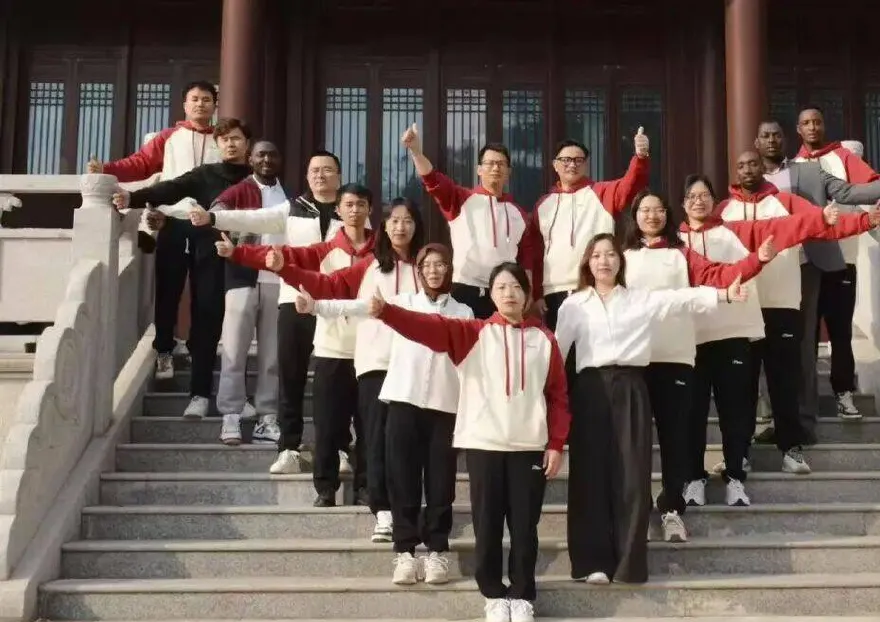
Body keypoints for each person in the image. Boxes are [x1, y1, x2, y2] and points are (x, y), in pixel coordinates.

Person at [357, 261, 569, 622]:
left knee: (524, 527)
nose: (509, 293)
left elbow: (558, 396)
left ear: (526, 294)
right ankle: (493, 594)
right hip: (484, 444)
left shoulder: (545, 339)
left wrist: (556, 443)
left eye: (516, 287)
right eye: (501, 287)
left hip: (528, 446)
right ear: (491, 295)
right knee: (487, 525)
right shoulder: (473, 334)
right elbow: (427, 327)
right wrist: (387, 312)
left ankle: (522, 595)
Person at [556, 233, 748, 585]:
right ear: (587, 263)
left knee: (632, 475)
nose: (604, 261)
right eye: (596, 255)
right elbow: (556, 353)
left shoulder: (639, 299)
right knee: (589, 475)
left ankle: (629, 563)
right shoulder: (573, 305)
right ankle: (591, 561)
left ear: (620, 261)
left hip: (632, 388)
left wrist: (723, 295)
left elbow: (680, 299)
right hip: (590, 391)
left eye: (610, 254)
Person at [292, 243, 472, 585]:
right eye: (427, 265)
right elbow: (357, 306)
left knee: (440, 484)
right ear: (419, 271)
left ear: (449, 270)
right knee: (402, 479)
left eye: (440, 265)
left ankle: (437, 551)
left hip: (445, 407)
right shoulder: (401, 303)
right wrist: (317, 306)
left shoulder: (463, 312)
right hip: (403, 401)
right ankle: (405, 553)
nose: (434, 271)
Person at [677, 173, 855, 506]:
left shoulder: (732, 230)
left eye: (704, 195)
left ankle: (739, 472)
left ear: (714, 200)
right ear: (683, 204)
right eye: (692, 196)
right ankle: (695, 478)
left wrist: (840, 219)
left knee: (745, 401)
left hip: (733, 331)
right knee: (693, 413)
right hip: (690, 338)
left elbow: (785, 228)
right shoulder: (676, 243)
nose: (698, 201)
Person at [715, 151, 880, 472]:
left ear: (763, 169)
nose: (747, 169)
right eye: (741, 165)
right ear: (735, 172)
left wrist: (864, 221)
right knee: (741, 387)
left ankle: (791, 450)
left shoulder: (786, 202)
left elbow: (824, 225)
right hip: (741, 309)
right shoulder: (724, 210)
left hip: (782, 304)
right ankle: (739, 455)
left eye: (753, 163)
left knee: (785, 383)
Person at [264, 198, 426, 540]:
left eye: (408, 221)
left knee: (395, 439)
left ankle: (391, 501)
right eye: (394, 221)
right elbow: (334, 288)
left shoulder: (426, 268)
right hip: (366, 359)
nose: (401, 227)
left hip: (410, 365)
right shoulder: (371, 266)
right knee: (348, 428)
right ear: (384, 227)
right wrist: (295, 282)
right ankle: (347, 495)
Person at [623, 190, 776, 542]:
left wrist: (756, 261)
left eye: (658, 209)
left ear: (667, 214)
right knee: (634, 442)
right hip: (634, 360)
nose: (652, 215)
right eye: (645, 209)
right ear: (634, 215)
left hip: (675, 359)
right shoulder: (622, 256)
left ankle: (672, 510)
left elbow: (718, 274)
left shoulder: (682, 254)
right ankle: (635, 510)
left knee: (675, 439)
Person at [217, 183, 375, 502]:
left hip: (372, 347)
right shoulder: (326, 249)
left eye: (361, 204)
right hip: (333, 345)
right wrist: (239, 253)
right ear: (339, 210)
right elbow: (288, 256)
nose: (355, 210)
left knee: (369, 423)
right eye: (349, 204)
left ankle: (368, 488)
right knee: (327, 422)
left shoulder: (382, 252)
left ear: (369, 210)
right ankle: (326, 489)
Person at [194, 151, 348, 476]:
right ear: (307, 177)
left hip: (337, 305)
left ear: (339, 176)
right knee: (290, 377)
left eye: (327, 170)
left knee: (337, 381)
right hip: (294, 300)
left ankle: (339, 448)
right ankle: (289, 448)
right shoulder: (292, 208)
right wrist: (214, 218)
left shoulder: (350, 210)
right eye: (314, 170)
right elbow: (253, 219)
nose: (320, 175)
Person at [753, 120, 880, 442]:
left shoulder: (808, 172)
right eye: (765, 136)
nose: (771, 140)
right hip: (765, 271)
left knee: (804, 346)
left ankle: (804, 423)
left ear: (785, 139)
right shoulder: (749, 179)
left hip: (804, 266)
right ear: (756, 143)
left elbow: (847, 191)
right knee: (766, 344)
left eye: (776, 135)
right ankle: (772, 415)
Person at [113, 117, 252, 417]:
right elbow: (171, 188)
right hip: (210, 253)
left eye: (236, 138)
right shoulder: (205, 174)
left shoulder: (256, 179)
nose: (230, 144)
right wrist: (132, 197)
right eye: (225, 139)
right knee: (205, 319)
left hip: (248, 262)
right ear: (218, 145)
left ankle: (241, 397)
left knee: (240, 328)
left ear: (247, 144)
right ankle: (199, 395)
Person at [89, 80, 220, 380]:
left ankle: (200, 350)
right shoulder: (169, 137)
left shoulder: (222, 139)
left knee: (207, 294)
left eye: (206, 99)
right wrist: (107, 169)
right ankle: (164, 351)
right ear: (185, 105)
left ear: (215, 105)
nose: (200, 104)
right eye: (194, 99)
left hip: (208, 225)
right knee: (168, 290)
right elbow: (142, 163)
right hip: (172, 222)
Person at [792, 107, 880, 420]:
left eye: (817, 121)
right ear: (798, 129)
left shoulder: (842, 157)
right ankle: (806, 399)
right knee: (805, 333)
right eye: (806, 123)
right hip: (804, 260)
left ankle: (844, 393)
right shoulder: (792, 168)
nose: (812, 127)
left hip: (842, 257)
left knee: (840, 329)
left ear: (824, 125)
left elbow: (871, 188)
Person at [401, 124, 538, 318]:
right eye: (490, 163)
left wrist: (528, 290)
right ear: (479, 170)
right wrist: (416, 152)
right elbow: (432, 180)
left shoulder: (519, 213)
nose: (496, 168)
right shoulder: (461, 199)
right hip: (465, 288)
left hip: (502, 292)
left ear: (509, 171)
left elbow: (526, 258)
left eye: (501, 164)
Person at [208, 140, 289, 446]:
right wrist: (233, 241)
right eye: (261, 155)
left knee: (272, 356)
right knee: (234, 350)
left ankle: (267, 417)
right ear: (250, 159)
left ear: (279, 160)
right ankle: (231, 414)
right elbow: (216, 212)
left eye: (272, 154)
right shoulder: (240, 189)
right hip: (242, 277)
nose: (267, 159)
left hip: (278, 281)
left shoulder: (288, 196)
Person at [531, 130, 650, 329]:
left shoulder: (602, 192)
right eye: (566, 160)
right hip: (554, 291)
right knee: (560, 347)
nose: (572, 164)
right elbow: (535, 253)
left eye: (578, 160)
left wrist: (640, 157)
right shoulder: (543, 205)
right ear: (555, 165)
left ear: (586, 165)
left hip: (595, 286)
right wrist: (536, 294)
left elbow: (630, 185)